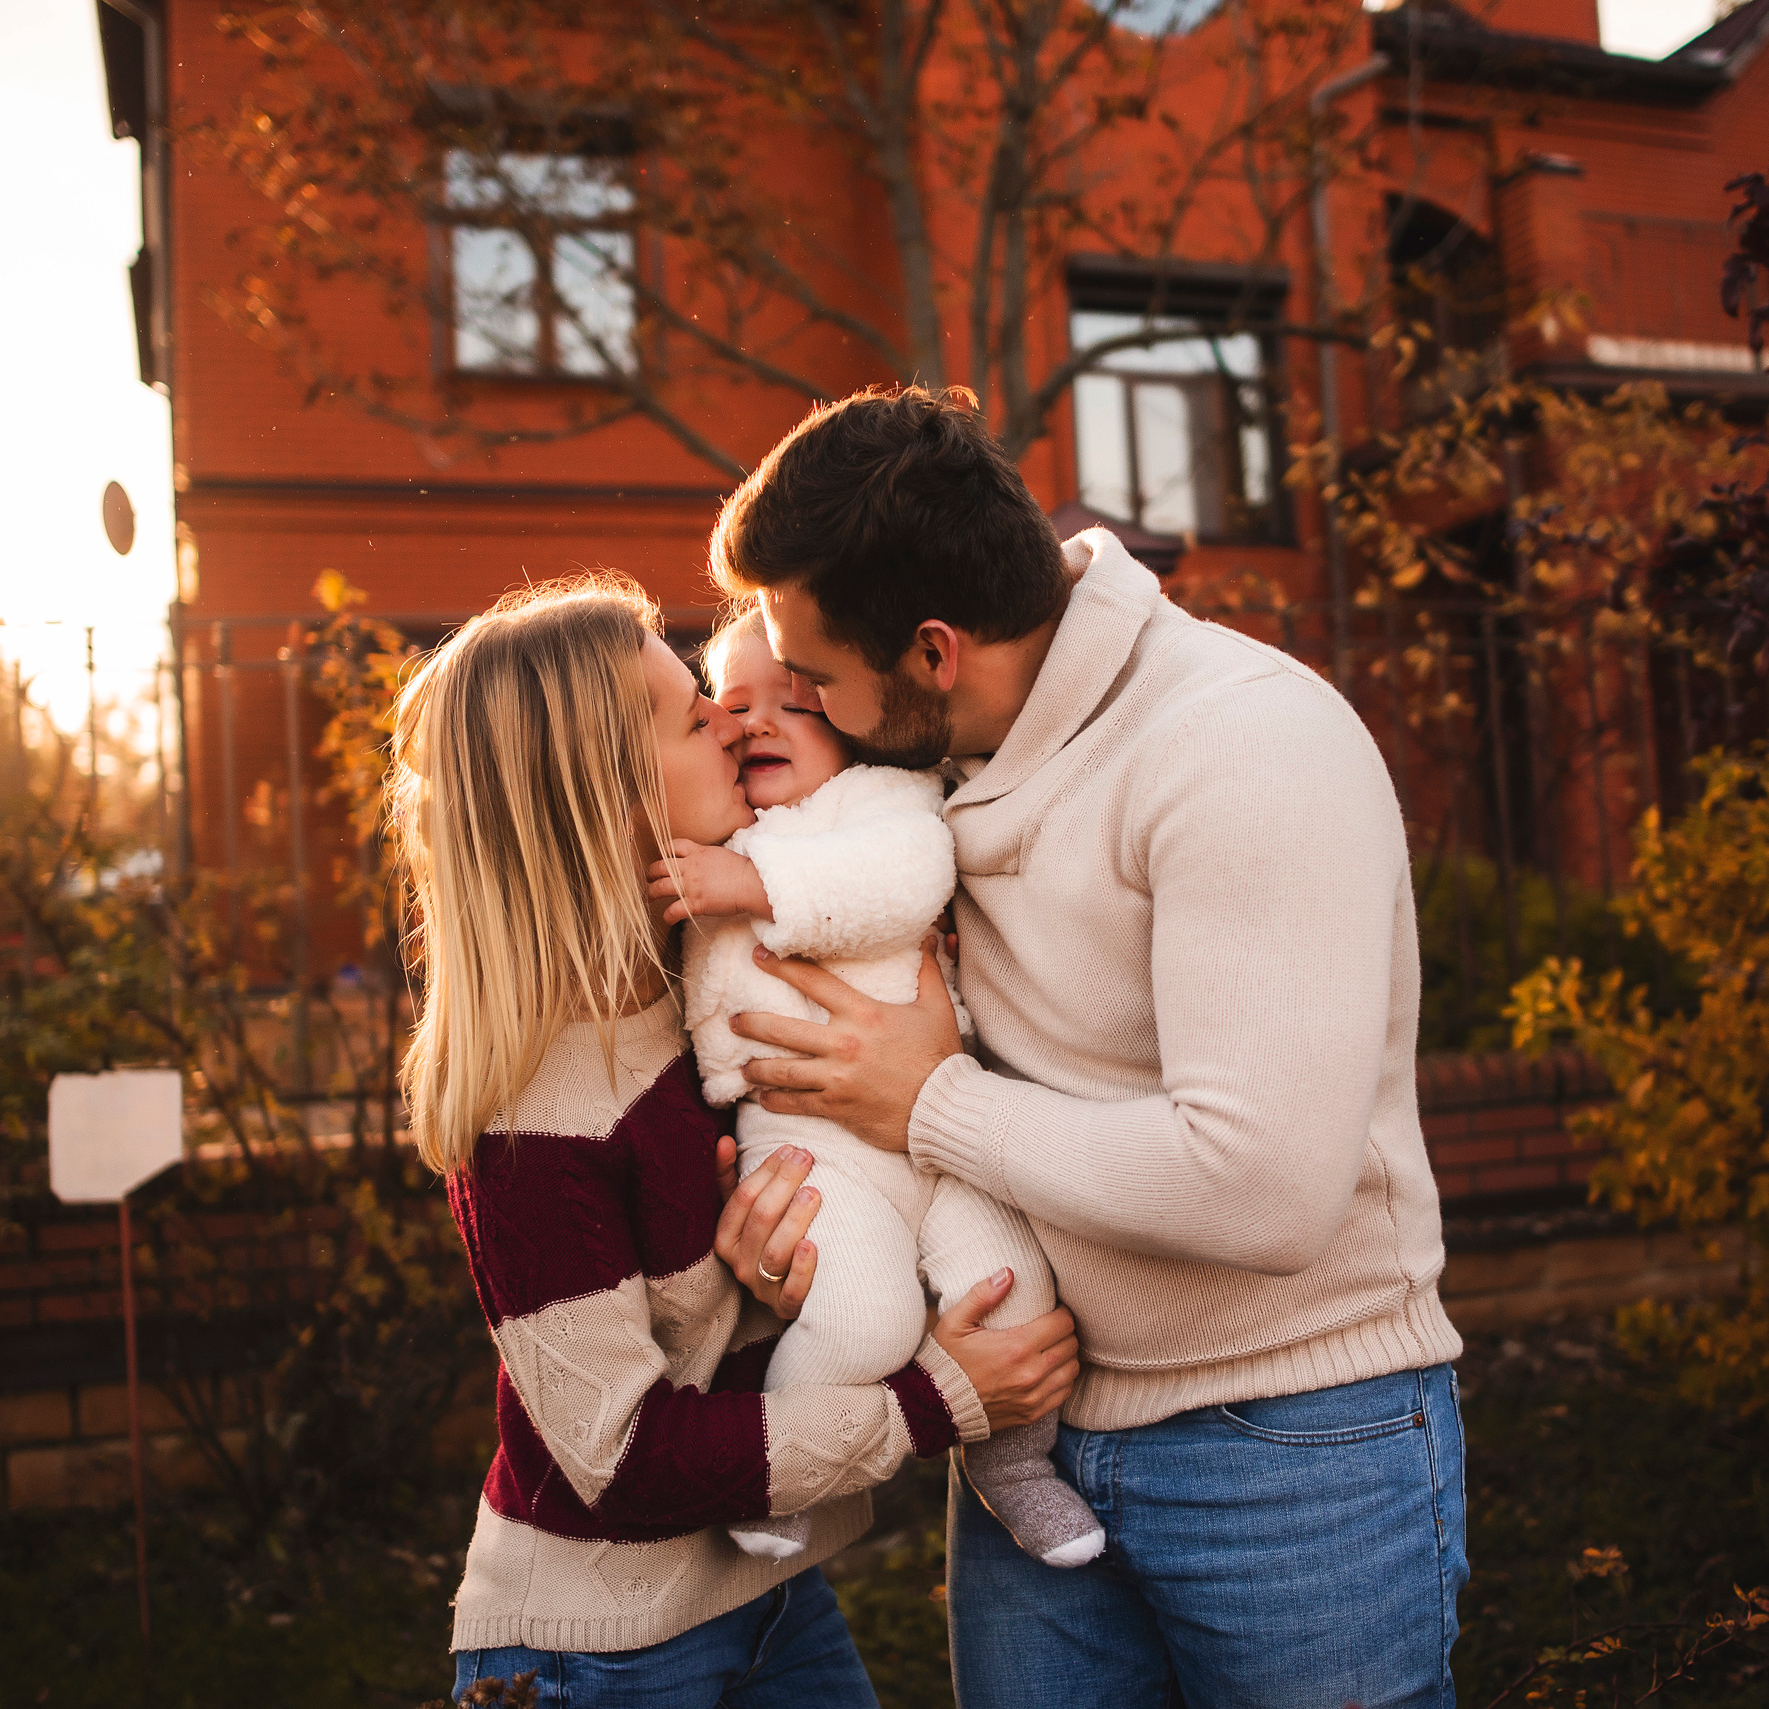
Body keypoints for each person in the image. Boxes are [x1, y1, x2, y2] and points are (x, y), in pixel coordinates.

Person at [706, 387, 1471, 1709]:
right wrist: (804, 1220)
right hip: (1028, 1421)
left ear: (937, 651)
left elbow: (1262, 1185)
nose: (804, 709)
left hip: (1287, 1444)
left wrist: (928, 1106)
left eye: (820, 678)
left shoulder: (1240, 746)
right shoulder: (937, 761)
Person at [386, 574, 1080, 1708]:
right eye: (689, 714)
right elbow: (624, 1457)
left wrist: (763, 1277)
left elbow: (746, 1276)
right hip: (597, 1652)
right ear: (601, 795)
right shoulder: (531, 1120)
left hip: (764, 1593)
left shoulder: (694, 983)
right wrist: (937, 1398)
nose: (732, 717)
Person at [652, 611, 1105, 1570]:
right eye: (734, 708)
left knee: (1017, 1287)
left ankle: (1014, 1466)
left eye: (797, 700)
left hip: (939, 1131)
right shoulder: (721, 828)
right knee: (867, 1318)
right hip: (807, 1141)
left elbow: (905, 881)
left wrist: (754, 881)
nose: (758, 723)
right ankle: (782, 1465)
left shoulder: (882, 802)